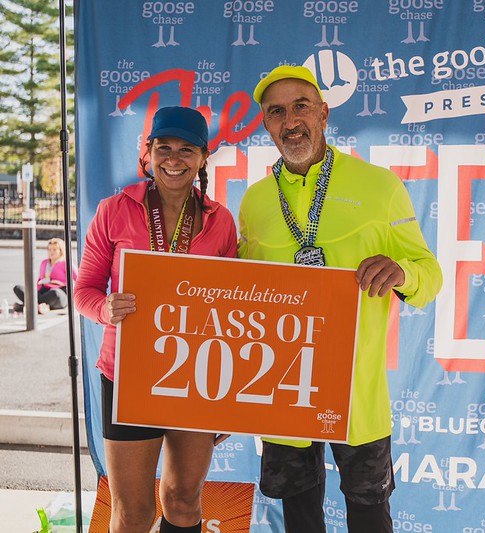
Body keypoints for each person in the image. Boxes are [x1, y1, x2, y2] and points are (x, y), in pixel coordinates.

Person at [239, 65, 443, 532]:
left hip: (358, 393)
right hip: (282, 392)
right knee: (300, 518)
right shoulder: (254, 202)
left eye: (301, 106)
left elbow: (429, 275)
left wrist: (402, 271)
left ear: (324, 113)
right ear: (266, 124)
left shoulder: (379, 186)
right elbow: (241, 291)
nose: (291, 121)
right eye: (276, 112)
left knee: (370, 514)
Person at [74, 106, 237, 533]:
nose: (173, 159)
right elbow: (84, 290)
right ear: (148, 152)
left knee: (183, 501)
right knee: (133, 513)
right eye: (164, 148)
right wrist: (105, 309)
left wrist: (229, 400)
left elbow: (231, 310)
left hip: (198, 375)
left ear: (203, 158)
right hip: (129, 373)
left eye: (186, 150)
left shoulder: (220, 221)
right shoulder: (114, 210)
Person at [13, 237, 77, 314]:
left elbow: (78, 279)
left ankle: (28, 306)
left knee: (55, 293)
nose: (51, 252)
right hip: (43, 291)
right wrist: (34, 292)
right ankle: (39, 306)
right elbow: (40, 279)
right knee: (18, 288)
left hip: (59, 293)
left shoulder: (66, 263)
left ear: (61, 250)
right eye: (49, 249)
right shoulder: (44, 263)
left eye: (54, 249)